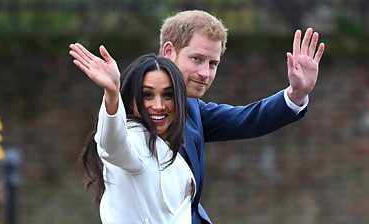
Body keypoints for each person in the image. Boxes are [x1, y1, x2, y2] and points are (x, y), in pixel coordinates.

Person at [157, 10, 325, 223]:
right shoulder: (129, 108)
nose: (205, 73)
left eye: (212, 64)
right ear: (169, 51)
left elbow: (247, 119)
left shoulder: (192, 108)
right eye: (197, 59)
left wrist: (296, 93)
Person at [69, 44, 195, 223]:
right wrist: (112, 94)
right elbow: (113, 145)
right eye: (147, 95)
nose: (159, 105)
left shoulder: (165, 148)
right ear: (130, 98)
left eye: (168, 95)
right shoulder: (135, 139)